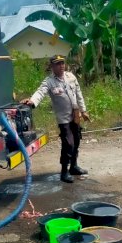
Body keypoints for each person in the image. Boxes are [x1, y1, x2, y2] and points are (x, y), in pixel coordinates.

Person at [21, 55, 90, 183]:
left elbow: (79, 94)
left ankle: (73, 166)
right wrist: (32, 101)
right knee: (68, 143)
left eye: (62, 63)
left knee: (76, 140)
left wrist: (83, 110)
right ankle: (64, 171)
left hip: (75, 115)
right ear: (52, 66)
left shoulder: (71, 77)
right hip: (63, 118)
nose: (61, 66)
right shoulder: (49, 81)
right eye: (58, 64)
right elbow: (40, 92)